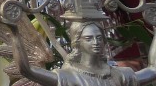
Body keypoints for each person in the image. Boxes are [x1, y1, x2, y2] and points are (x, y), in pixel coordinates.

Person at [9, 19, 156, 86]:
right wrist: (15, 33)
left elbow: (153, 69)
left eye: (99, 38)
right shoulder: (69, 78)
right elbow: (26, 70)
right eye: (89, 38)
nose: (96, 42)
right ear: (77, 43)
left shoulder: (120, 75)